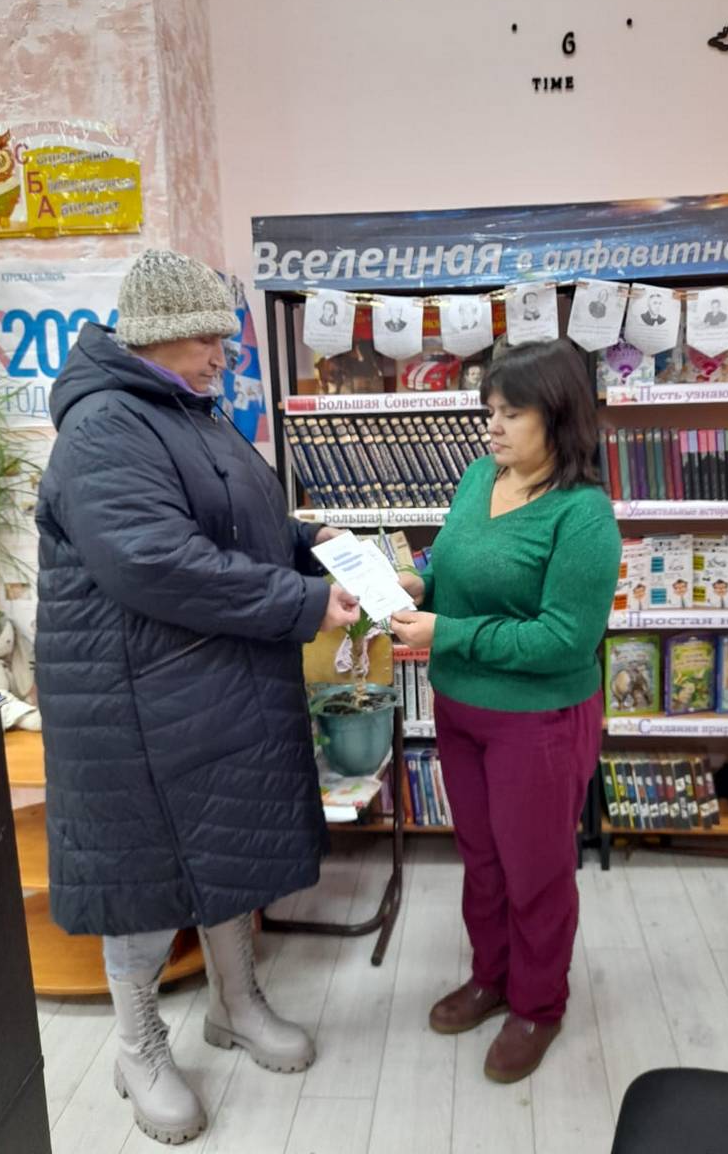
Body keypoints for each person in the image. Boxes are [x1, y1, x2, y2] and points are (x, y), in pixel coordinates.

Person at [35, 249, 360, 1146]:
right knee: (142, 877)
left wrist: (310, 541)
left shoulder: (188, 410)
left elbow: (239, 524)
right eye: (207, 337)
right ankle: (138, 1045)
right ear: (155, 335)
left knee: (225, 851)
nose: (223, 353)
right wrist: (302, 602)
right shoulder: (105, 426)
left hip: (210, 682)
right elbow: (154, 560)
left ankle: (234, 1003)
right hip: (132, 703)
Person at [390, 338, 621, 1084]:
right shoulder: (478, 477)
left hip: (538, 721)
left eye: (511, 412)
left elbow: (564, 640)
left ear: (559, 416)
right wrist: (422, 587)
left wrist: (448, 633)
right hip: (461, 710)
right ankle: (491, 976)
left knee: (536, 870)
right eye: (490, 409)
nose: (492, 425)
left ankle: (538, 1005)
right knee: (482, 860)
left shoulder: (583, 515)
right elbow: (457, 568)